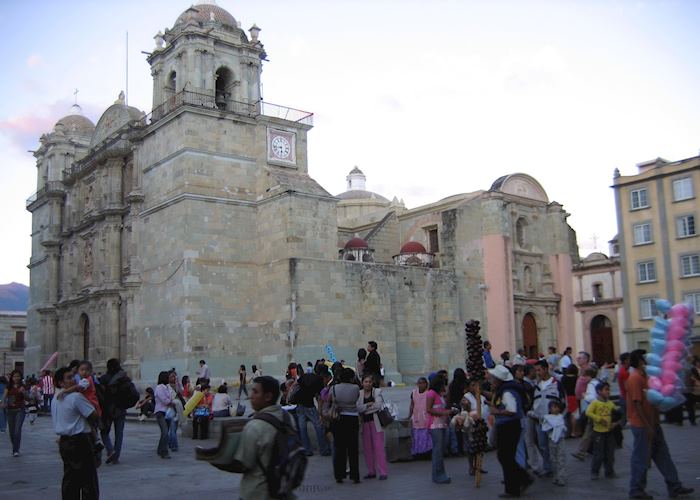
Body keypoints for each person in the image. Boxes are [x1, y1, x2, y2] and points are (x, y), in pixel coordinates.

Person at [626, 350, 694, 499]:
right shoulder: (635, 378)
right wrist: (647, 426)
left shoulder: (647, 376)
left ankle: (674, 485)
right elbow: (636, 404)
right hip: (642, 424)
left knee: (663, 455)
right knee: (641, 457)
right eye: (646, 359)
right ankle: (636, 489)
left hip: (653, 422)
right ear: (640, 361)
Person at [233, 375, 296, 499]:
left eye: (255, 391)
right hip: (283, 489)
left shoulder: (254, 426)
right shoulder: (288, 418)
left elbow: (244, 463)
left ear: (268, 396)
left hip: (257, 491)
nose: (251, 396)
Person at [52, 367, 100, 500]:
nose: (73, 379)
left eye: (73, 376)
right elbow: (93, 415)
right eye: (68, 378)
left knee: (70, 479)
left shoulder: (55, 398)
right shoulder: (76, 397)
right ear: (61, 383)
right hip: (80, 441)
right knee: (88, 480)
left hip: (64, 442)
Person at [487, 365, 532, 498]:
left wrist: (496, 411)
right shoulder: (505, 390)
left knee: (505, 456)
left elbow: (512, 410)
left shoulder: (507, 392)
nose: (491, 381)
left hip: (509, 426)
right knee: (506, 456)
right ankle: (518, 481)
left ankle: (516, 484)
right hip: (509, 426)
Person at [330, 367, 361, 484]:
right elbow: (357, 398)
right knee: (353, 448)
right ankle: (355, 475)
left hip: (339, 418)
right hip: (352, 418)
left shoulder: (334, 388)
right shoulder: (355, 388)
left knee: (339, 447)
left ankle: (339, 474)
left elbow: (332, 400)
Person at [98, 358, 132, 465]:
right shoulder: (124, 378)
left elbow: (100, 395)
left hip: (108, 409)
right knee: (119, 434)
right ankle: (116, 457)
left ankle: (110, 449)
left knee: (104, 432)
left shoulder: (104, 378)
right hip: (121, 409)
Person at [357, 374, 389, 480]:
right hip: (364, 424)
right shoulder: (359, 394)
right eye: (366, 382)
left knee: (379, 447)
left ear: (372, 383)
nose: (368, 384)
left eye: (369, 382)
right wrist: (368, 405)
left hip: (376, 423)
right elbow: (357, 408)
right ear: (362, 383)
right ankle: (371, 471)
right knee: (367, 448)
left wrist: (365, 409)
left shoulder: (377, 392)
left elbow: (378, 406)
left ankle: (383, 472)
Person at [426, 376, 457, 484]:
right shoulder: (431, 394)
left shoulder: (440, 395)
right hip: (435, 425)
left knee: (441, 449)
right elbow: (429, 409)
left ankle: (441, 473)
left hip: (442, 424)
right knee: (437, 450)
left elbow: (444, 406)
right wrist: (445, 413)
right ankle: (437, 475)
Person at [585, 381, 618, 479]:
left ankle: (609, 471)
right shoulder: (595, 403)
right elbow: (588, 412)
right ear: (599, 391)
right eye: (606, 390)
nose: (608, 392)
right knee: (598, 454)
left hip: (609, 432)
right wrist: (599, 419)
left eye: (609, 390)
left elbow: (616, 414)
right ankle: (595, 471)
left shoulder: (610, 403)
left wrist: (614, 423)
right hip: (598, 432)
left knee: (610, 453)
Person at [295, 368, 331, 456]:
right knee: (319, 426)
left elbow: (297, 384)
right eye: (328, 379)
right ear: (325, 377)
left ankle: (307, 450)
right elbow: (320, 398)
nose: (328, 382)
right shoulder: (319, 382)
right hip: (309, 405)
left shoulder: (309, 376)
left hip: (299, 403)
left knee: (302, 427)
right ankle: (323, 449)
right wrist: (320, 413)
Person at [542, 400, 567, 486]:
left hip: (561, 439)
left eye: (557, 407)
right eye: (554, 407)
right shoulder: (547, 418)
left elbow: (562, 426)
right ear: (550, 409)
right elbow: (545, 428)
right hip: (552, 439)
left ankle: (561, 477)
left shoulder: (560, 417)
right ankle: (556, 476)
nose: (556, 409)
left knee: (561, 458)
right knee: (553, 459)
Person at [2, 369, 26, 456]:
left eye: (18, 376)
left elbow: (28, 398)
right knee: (12, 432)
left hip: (20, 410)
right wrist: (2, 403)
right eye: (15, 376)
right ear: (12, 377)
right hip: (10, 411)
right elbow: (4, 397)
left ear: (20, 377)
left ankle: (16, 450)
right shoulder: (8, 387)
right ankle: (15, 447)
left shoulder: (23, 386)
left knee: (17, 430)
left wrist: (24, 392)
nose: (16, 378)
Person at [408, 377, 432, 456]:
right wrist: (409, 416)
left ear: (426, 384)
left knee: (426, 435)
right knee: (417, 435)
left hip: (426, 417)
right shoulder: (414, 393)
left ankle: (427, 451)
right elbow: (412, 405)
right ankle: (418, 451)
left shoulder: (428, 393)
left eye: (423, 383)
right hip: (417, 417)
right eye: (420, 383)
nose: (421, 385)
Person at [154, 371, 173, 458]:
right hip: (160, 412)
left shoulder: (167, 387)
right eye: (168, 377)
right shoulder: (159, 387)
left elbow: (172, 396)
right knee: (165, 432)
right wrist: (170, 402)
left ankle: (160, 449)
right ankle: (164, 452)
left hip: (167, 412)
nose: (170, 379)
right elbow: (165, 400)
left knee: (164, 432)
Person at [166, 371, 184, 452]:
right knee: (172, 429)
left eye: (174, 376)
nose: (173, 378)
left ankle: (170, 443)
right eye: (171, 377)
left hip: (178, 409)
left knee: (174, 429)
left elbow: (181, 394)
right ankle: (174, 446)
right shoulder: (166, 387)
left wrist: (178, 385)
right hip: (171, 409)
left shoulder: (177, 386)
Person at [561, 364, 579, 438]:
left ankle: (565, 431)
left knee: (565, 414)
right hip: (573, 397)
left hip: (566, 396)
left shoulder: (563, 378)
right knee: (573, 415)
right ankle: (573, 431)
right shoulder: (576, 378)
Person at [682, 356, 699, 426]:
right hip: (691, 389)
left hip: (684, 390)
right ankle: (692, 420)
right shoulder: (691, 368)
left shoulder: (680, 368)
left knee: (689, 407)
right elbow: (695, 378)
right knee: (691, 407)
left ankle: (691, 420)